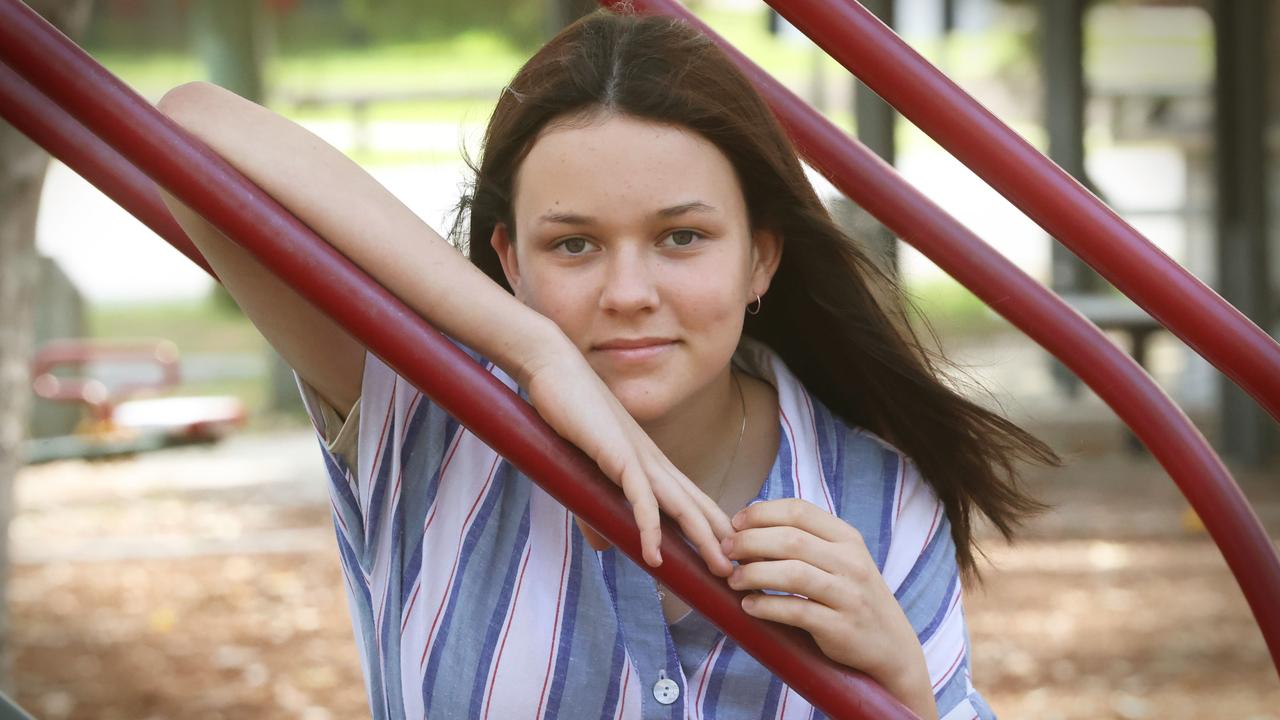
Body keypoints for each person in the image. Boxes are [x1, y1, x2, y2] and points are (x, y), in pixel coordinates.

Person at [157, 8, 1058, 719]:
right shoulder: (432, 407)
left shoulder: (875, 495)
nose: (628, 291)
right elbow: (190, 125)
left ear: (761, 259)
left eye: (682, 236)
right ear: (510, 260)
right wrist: (532, 347)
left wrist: (900, 687)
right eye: (575, 246)